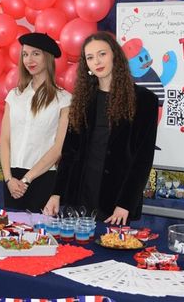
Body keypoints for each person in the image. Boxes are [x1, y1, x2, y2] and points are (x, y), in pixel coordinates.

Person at [43, 32, 158, 225]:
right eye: (90, 57)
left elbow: (143, 159)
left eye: (102, 54)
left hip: (116, 200)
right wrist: (56, 193)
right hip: (79, 195)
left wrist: (125, 203)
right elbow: (69, 152)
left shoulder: (144, 100)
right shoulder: (83, 100)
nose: (96, 61)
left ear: (115, 55)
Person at [0, 33, 71, 212]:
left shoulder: (64, 99)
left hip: (43, 178)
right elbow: (5, 140)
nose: (29, 60)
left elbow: (58, 148)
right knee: (9, 229)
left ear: (48, 57)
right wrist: (8, 179)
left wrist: (26, 180)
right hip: (12, 181)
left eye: (36, 54)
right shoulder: (14, 96)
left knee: (40, 229)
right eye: (25, 54)